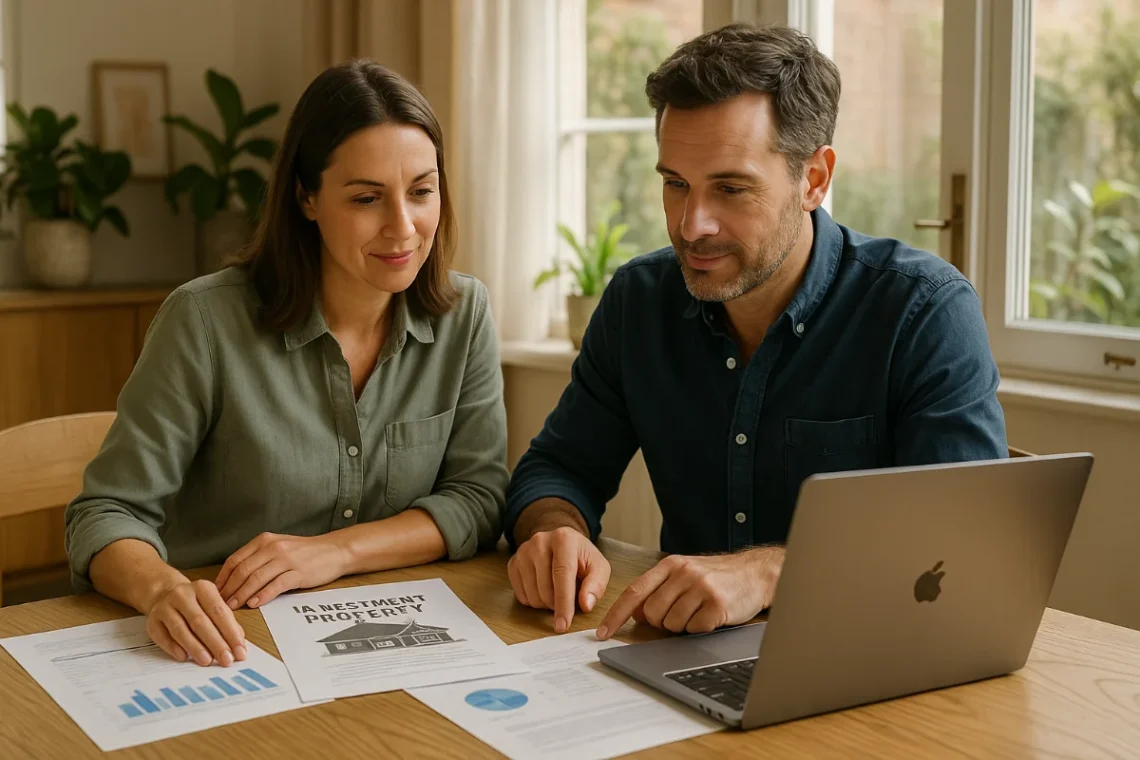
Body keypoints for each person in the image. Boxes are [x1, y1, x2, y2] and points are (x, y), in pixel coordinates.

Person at [504, 24, 1007, 641]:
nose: (691, 225)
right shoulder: (638, 302)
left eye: (730, 188)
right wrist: (555, 531)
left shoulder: (923, 311)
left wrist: (772, 572)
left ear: (814, 179)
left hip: (869, 651)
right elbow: (557, 468)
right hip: (681, 655)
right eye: (675, 183)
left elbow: (962, 543)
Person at [65, 60, 508, 668]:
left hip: (384, 640)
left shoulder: (466, 313)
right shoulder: (203, 321)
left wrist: (338, 551)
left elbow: (479, 497)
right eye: (366, 198)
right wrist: (163, 590)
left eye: (421, 191)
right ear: (306, 197)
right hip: (222, 643)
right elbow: (105, 513)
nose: (403, 227)